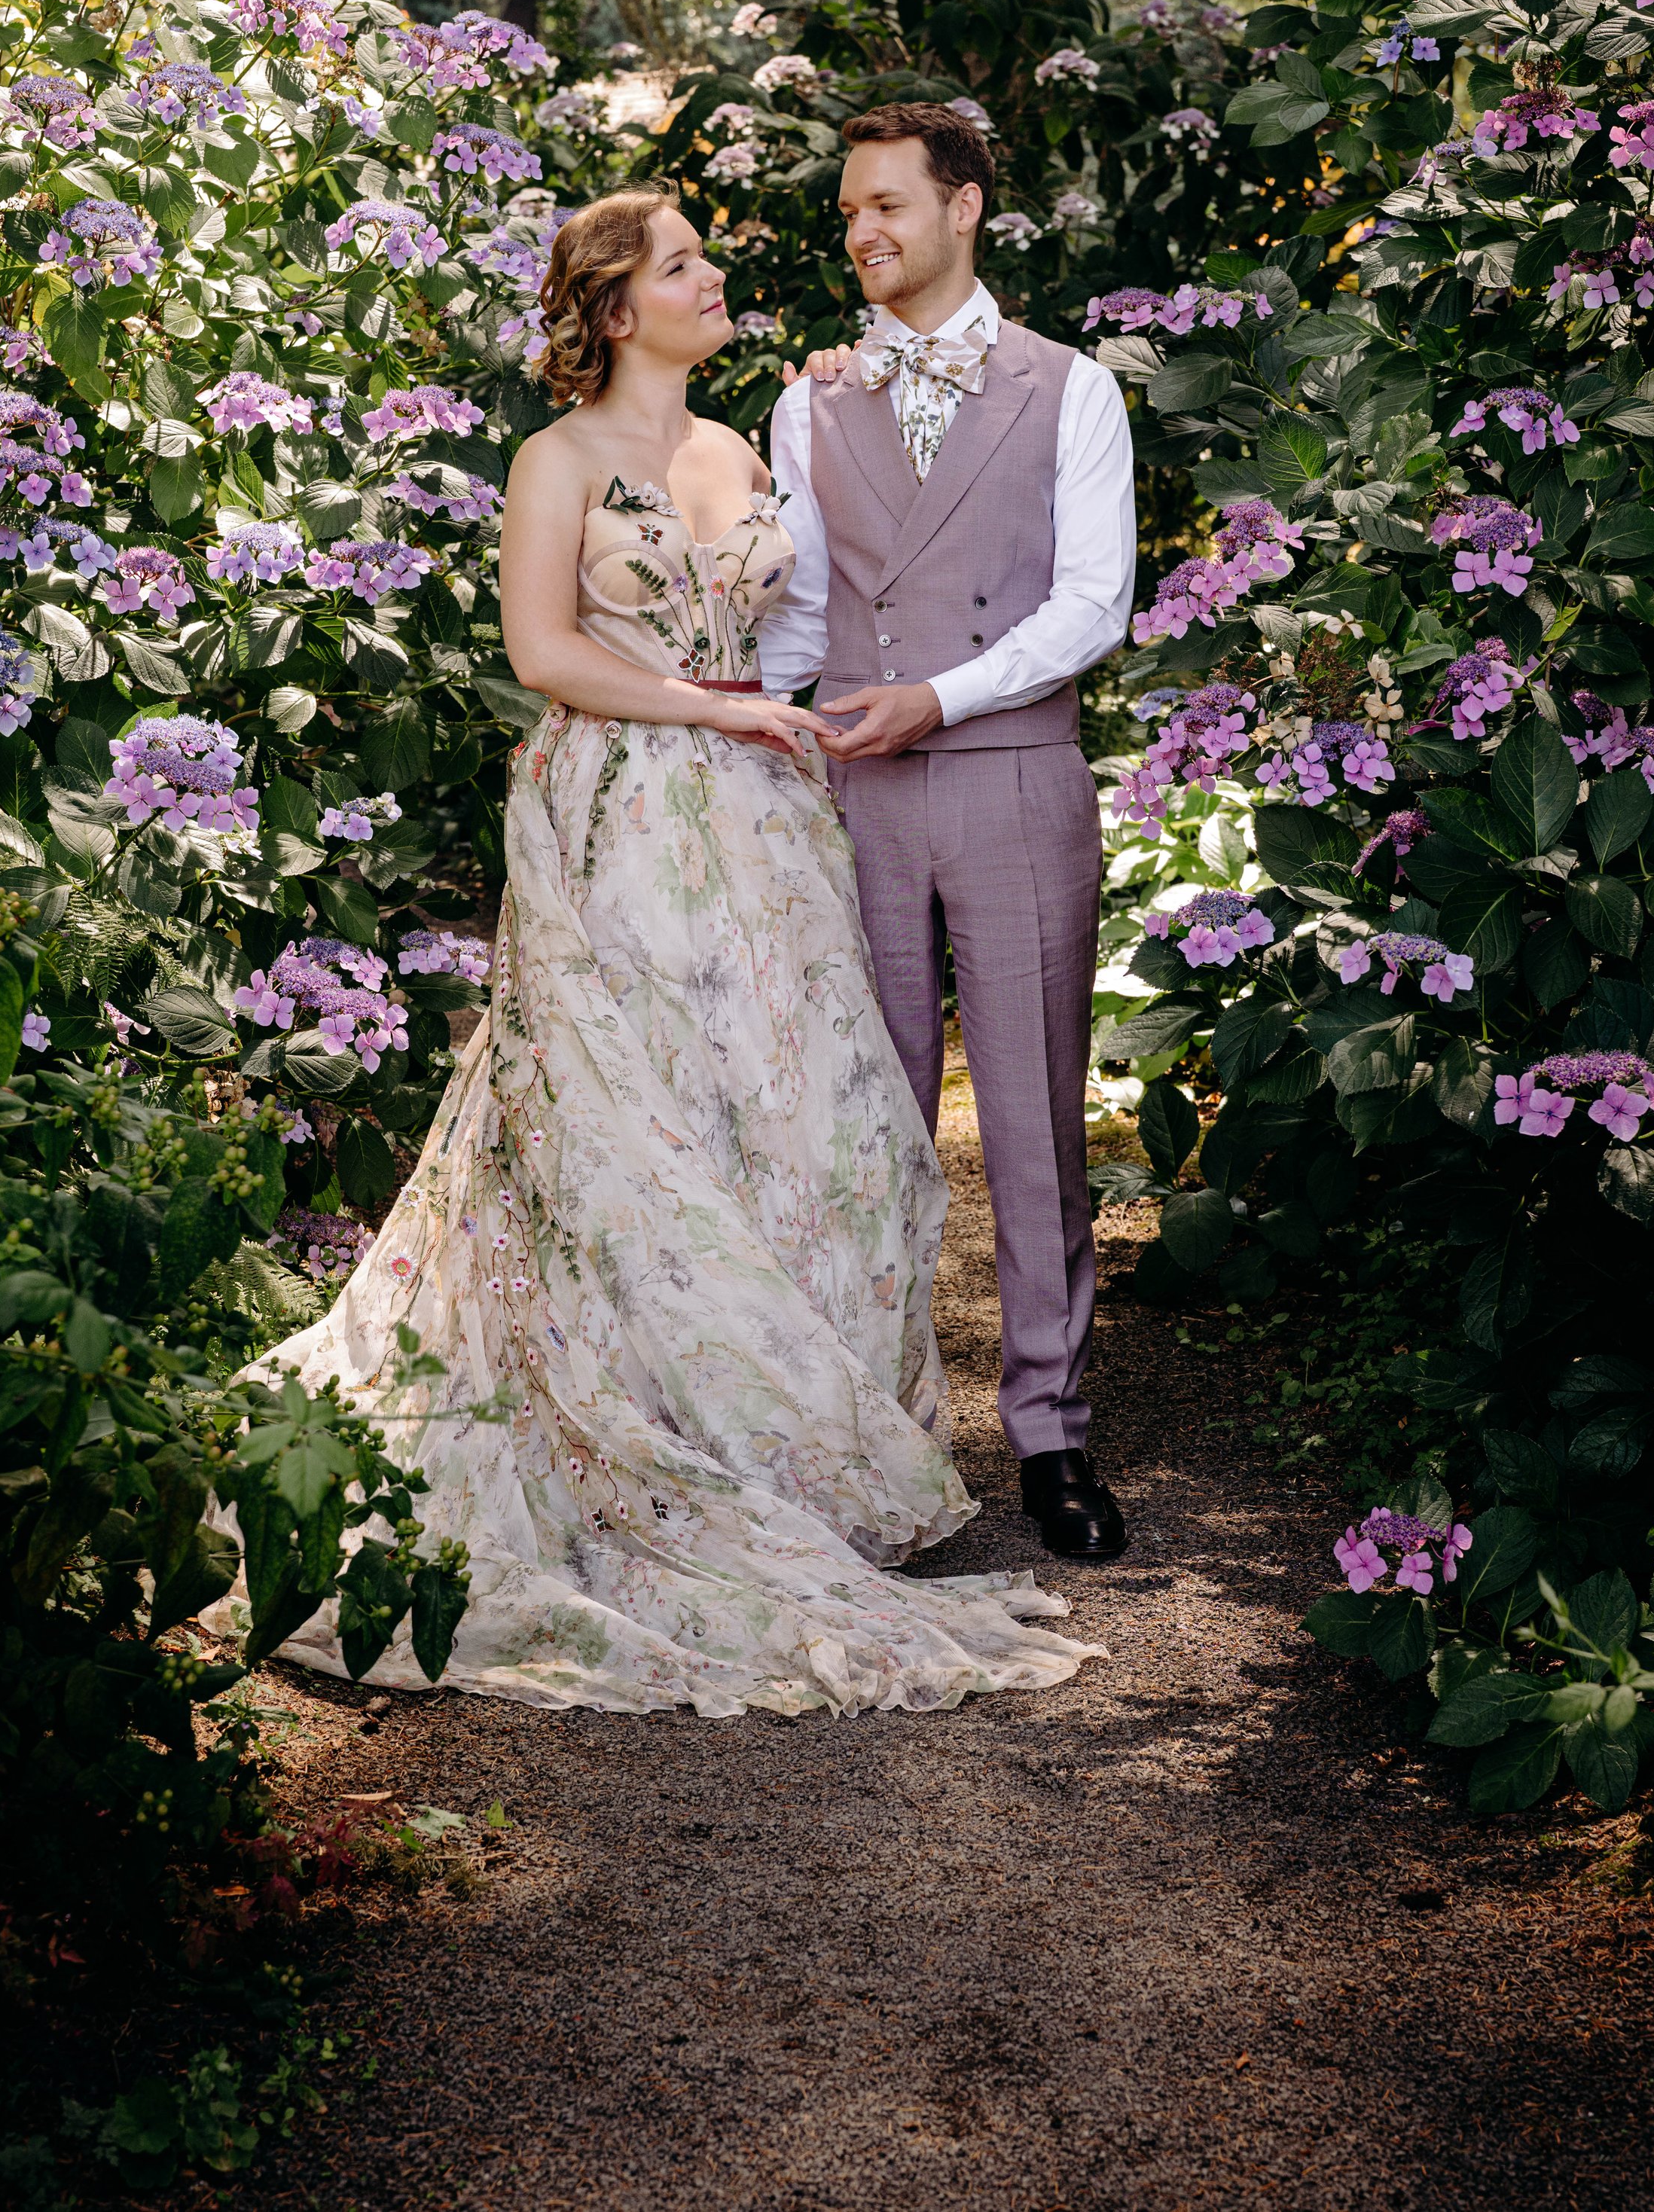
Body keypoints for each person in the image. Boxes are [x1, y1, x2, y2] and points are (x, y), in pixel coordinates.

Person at [237, 184, 1100, 1715]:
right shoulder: (556, 458)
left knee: (805, 1124)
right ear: (616, 306)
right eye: (684, 263)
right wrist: (711, 711)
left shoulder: (750, 445)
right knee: (627, 1120)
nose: (716, 277)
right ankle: (635, 1435)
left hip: (767, 822)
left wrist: (776, 716)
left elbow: (803, 622)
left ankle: (781, 1447)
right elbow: (544, 652)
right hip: (621, 807)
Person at [761, 102, 1137, 1561]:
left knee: (1034, 1119)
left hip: (1012, 773)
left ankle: (1049, 1434)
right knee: (866, 1117)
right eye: (848, 212)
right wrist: (729, 721)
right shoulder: (809, 404)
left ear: (963, 206)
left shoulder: (1072, 390)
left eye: (887, 206)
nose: (861, 232)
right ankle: (875, 1425)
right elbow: (802, 616)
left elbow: (1092, 605)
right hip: (855, 785)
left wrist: (942, 696)